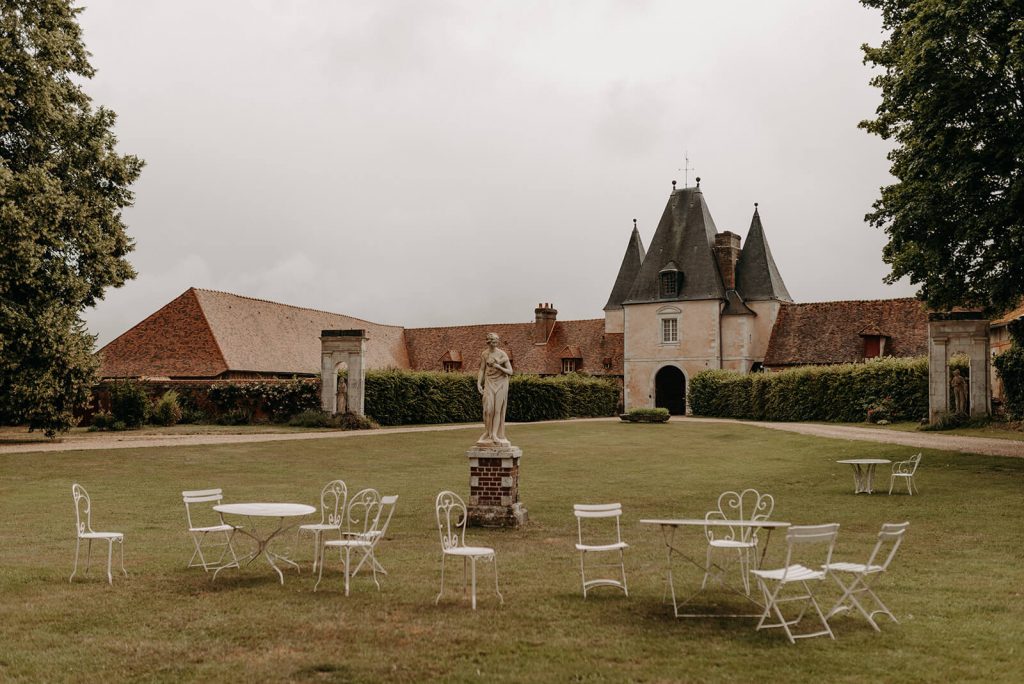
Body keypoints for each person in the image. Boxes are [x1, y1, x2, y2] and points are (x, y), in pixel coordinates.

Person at [476, 332, 513, 447]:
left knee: (497, 410)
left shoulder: (502, 354)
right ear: (488, 342)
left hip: (501, 383)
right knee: (488, 409)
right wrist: (478, 383)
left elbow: (510, 372)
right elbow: (482, 369)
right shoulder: (485, 354)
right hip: (489, 382)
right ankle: (487, 432)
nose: (495, 343)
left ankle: (495, 434)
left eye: (496, 341)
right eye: (493, 342)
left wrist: (498, 366)